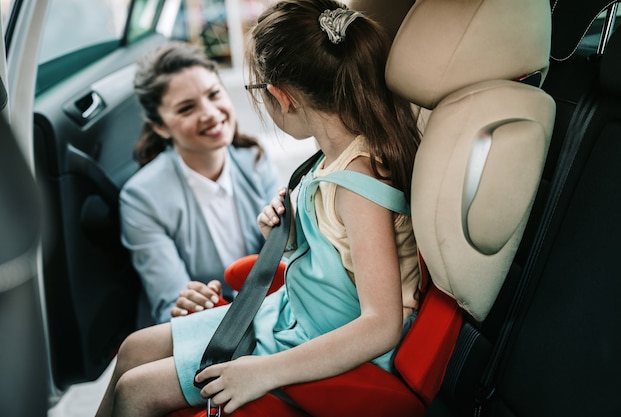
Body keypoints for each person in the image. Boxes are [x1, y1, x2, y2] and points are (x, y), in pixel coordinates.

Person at [95, 1, 420, 415]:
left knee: (136, 391)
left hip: (323, 337)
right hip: (292, 312)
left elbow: (381, 324)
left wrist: (263, 371)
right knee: (134, 347)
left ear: (281, 97)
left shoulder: (358, 182)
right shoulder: (325, 161)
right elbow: (336, 256)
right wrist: (285, 236)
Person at [120, 41, 281, 327]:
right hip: (203, 326)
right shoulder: (142, 197)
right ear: (160, 126)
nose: (209, 113)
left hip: (270, 312)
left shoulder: (254, 159)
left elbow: (284, 252)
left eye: (213, 94)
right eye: (186, 109)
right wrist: (189, 304)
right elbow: (171, 303)